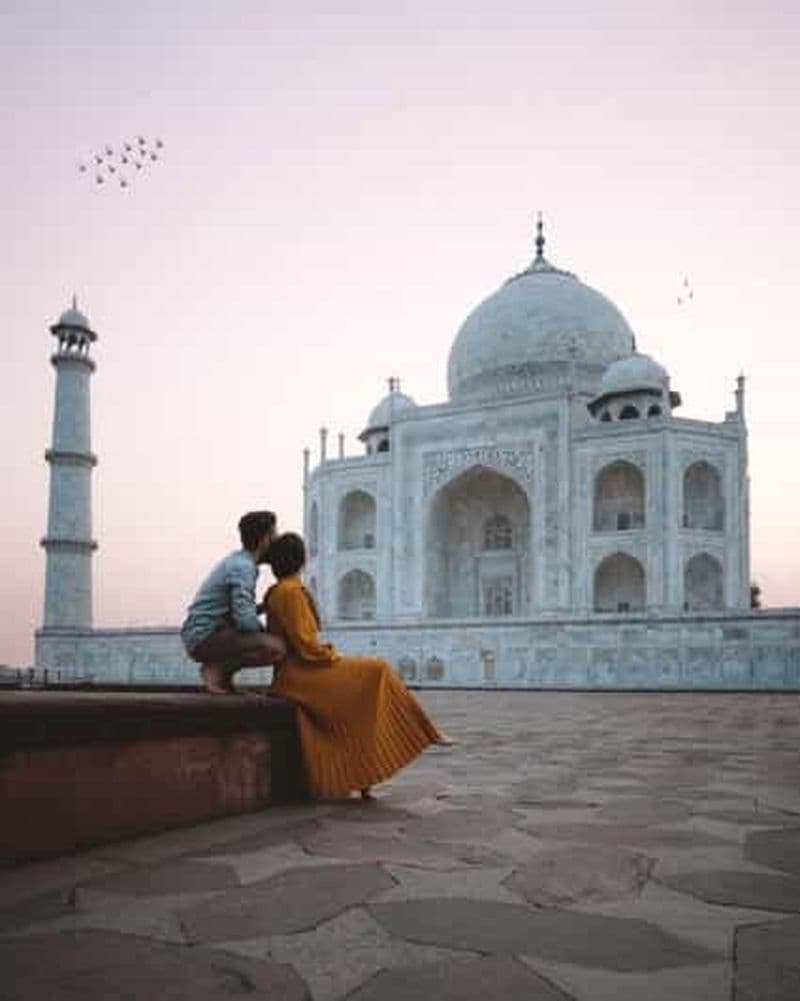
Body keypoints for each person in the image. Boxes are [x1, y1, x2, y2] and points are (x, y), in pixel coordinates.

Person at [264, 531, 452, 800]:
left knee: (371, 677)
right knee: (377, 671)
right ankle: (421, 732)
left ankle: (375, 765)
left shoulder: (281, 591)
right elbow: (306, 646)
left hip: (298, 672)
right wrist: (333, 656)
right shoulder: (290, 592)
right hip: (302, 674)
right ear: (302, 561)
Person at [181, 510, 286, 693]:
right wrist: (266, 634)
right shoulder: (243, 567)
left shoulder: (239, 562)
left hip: (203, 634)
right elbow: (245, 620)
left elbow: (236, 610)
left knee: (269, 643)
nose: (277, 541)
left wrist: (262, 608)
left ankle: (220, 677)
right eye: (274, 534)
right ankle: (216, 670)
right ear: (264, 540)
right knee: (276, 648)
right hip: (204, 637)